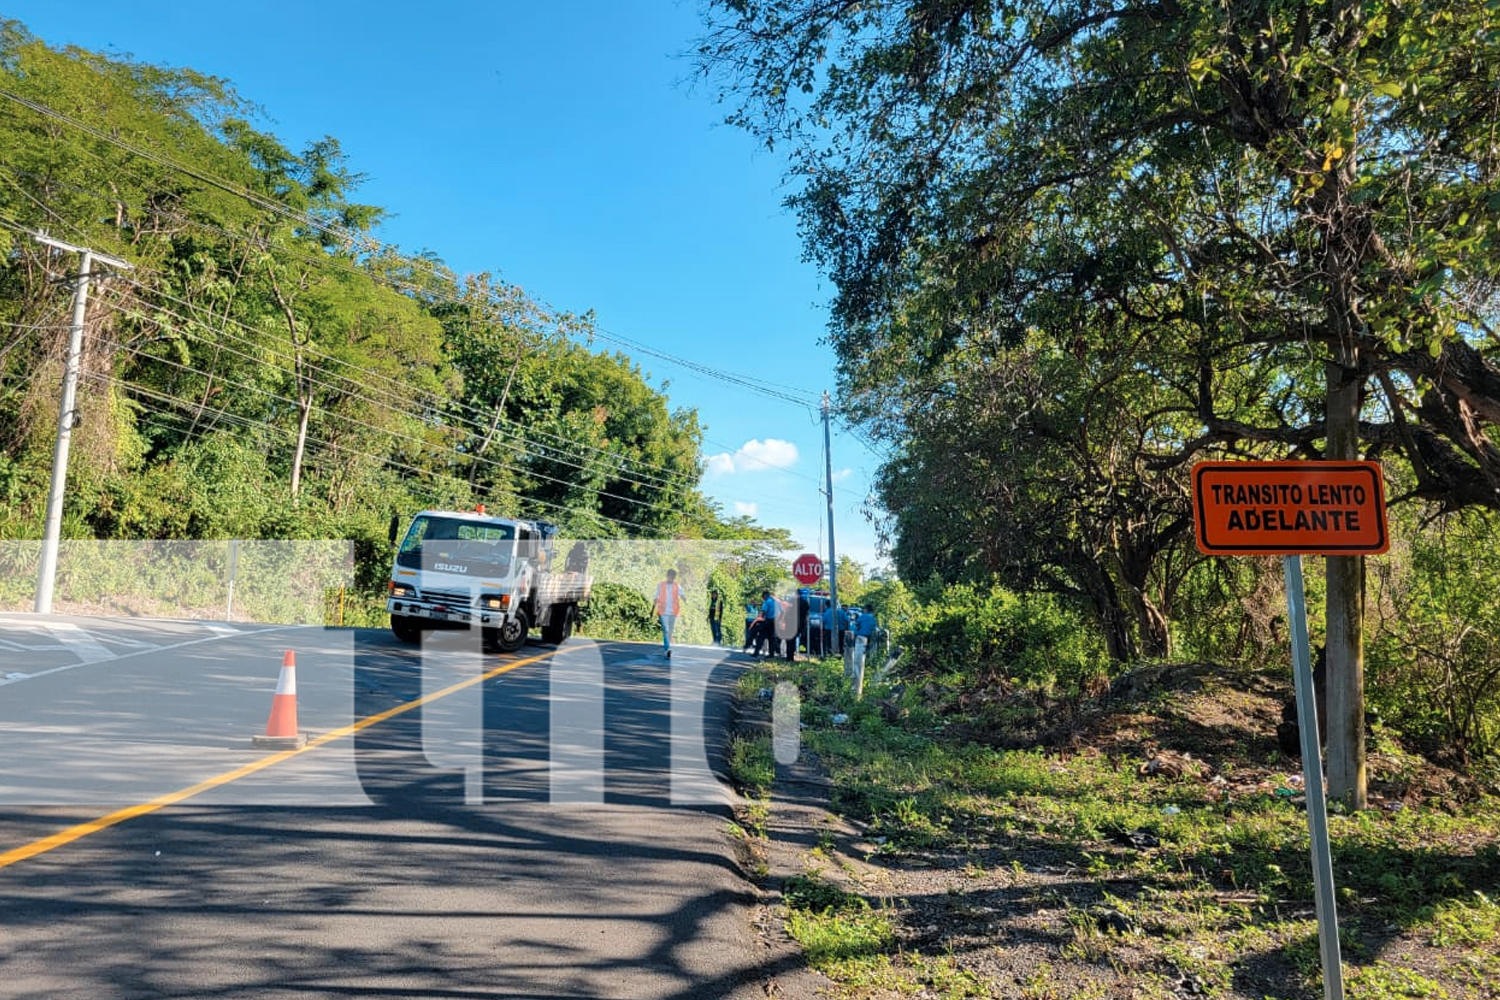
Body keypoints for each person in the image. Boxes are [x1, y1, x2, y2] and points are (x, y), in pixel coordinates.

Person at [653, 568, 683, 659]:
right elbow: (656, 597)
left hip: (673, 612)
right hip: (663, 611)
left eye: (673, 577)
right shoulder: (661, 585)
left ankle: (668, 645)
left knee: (670, 631)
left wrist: (685, 599)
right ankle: (667, 648)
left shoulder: (677, 586)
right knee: (666, 629)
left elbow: (682, 594)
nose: (671, 578)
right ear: (667, 576)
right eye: (670, 576)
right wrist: (652, 609)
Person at [852, 605, 879, 682]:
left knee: (857, 650)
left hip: (860, 635)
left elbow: (857, 624)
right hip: (868, 636)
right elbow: (874, 627)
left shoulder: (863, 616)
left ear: (866, 610)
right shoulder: (873, 618)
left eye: (864, 609)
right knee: (866, 649)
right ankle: (866, 662)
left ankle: (858, 664)